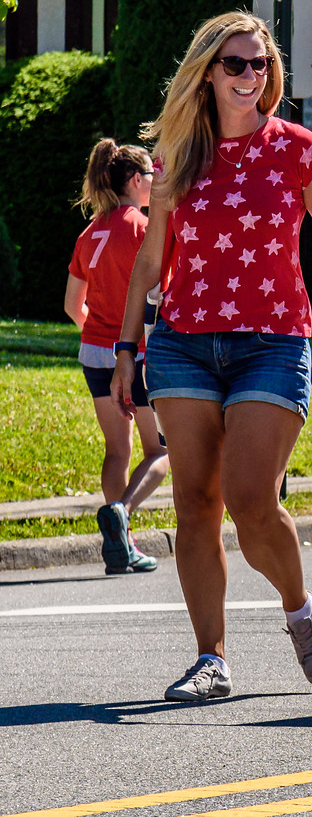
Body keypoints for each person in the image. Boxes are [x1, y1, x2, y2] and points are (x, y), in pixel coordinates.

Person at [109, 11, 312, 702]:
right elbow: (149, 264)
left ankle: (298, 606)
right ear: (207, 73)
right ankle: (210, 658)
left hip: (272, 343)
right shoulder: (176, 157)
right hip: (184, 344)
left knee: (253, 498)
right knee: (196, 502)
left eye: (259, 64)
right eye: (235, 64)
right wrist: (126, 348)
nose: (249, 76)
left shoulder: (297, 149)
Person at [65, 139, 170, 574]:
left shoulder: (89, 233)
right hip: (138, 352)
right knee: (161, 453)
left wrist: (102, 331)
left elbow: (74, 306)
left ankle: (119, 546)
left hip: (94, 352)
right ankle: (122, 512)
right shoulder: (142, 227)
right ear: (134, 180)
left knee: (117, 451)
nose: (153, 183)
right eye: (150, 176)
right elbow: (161, 291)